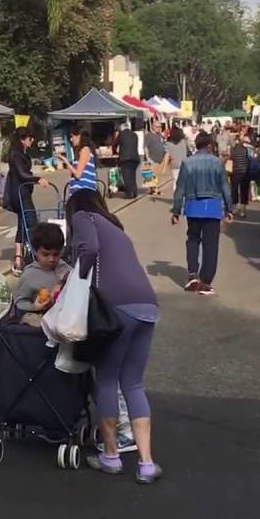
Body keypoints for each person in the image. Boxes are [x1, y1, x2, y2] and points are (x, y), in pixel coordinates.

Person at [68, 189, 162, 483]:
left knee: (107, 379)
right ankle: (146, 463)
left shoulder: (84, 216)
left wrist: (75, 279)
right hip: (147, 305)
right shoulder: (117, 228)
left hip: (116, 308)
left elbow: (89, 250)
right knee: (133, 383)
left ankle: (111, 456)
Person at [171, 132, 232, 296]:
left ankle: (192, 274)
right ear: (210, 145)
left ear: (196, 145)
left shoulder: (187, 163)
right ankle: (206, 282)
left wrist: (176, 210)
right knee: (211, 244)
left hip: (193, 206)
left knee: (193, 239)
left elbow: (180, 189)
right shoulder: (218, 162)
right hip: (213, 207)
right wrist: (229, 208)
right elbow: (225, 187)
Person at [6, 127, 49, 276]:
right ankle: (38, 259)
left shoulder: (20, 154)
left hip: (21, 193)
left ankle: (19, 260)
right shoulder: (17, 155)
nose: (32, 140)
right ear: (22, 139)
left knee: (22, 224)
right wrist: (37, 179)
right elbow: (22, 174)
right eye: (30, 138)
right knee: (31, 224)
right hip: (20, 194)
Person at [12, 222, 69, 324]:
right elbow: (19, 302)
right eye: (45, 254)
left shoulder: (65, 269)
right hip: (40, 319)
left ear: (62, 251)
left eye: (56, 254)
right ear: (35, 251)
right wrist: (34, 306)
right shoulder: (29, 275)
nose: (51, 259)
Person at [58, 126, 99, 194]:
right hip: (79, 190)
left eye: (72, 136)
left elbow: (78, 174)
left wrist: (66, 161)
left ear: (79, 137)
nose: (71, 139)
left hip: (83, 191)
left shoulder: (85, 150)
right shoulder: (81, 151)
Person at [228, 135, 253, 219]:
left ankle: (234, 209)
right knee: (244, 191)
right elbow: (251, 159)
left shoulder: (233, 149)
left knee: (234, 190)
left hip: (235, 172)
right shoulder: (247, 149)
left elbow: (231, 159)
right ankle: (243, 211)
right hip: (245, 172)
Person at [116, 122, 141, 200]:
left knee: (126, 176)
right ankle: (135, 192)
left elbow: (115, 144)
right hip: (135, 158)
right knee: (132, 176)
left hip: (125, 158)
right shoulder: (134, 135)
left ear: (121, 128)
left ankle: (129, 194)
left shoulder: (121, 134)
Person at [164, 126, 191, 191]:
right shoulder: (184, 141)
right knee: (185, 181)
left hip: (175, 164)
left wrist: (164, 168)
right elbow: (189, 148)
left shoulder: (168, 144)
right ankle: (184, 197)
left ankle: (176, 197)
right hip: (184, 164)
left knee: (176, 180)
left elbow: (167, 155)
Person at [145, 122, 166, 197]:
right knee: (152, 175)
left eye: (159, 127)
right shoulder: (149, 135)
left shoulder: (160, 135)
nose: (158, 128)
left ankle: (154, 190)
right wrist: (147, 157)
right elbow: (146, 147)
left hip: (160, 159)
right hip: (152, 158)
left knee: (156, 176)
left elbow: (164, 144)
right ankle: (153, 190)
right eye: (157, 127)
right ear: (153, 127)